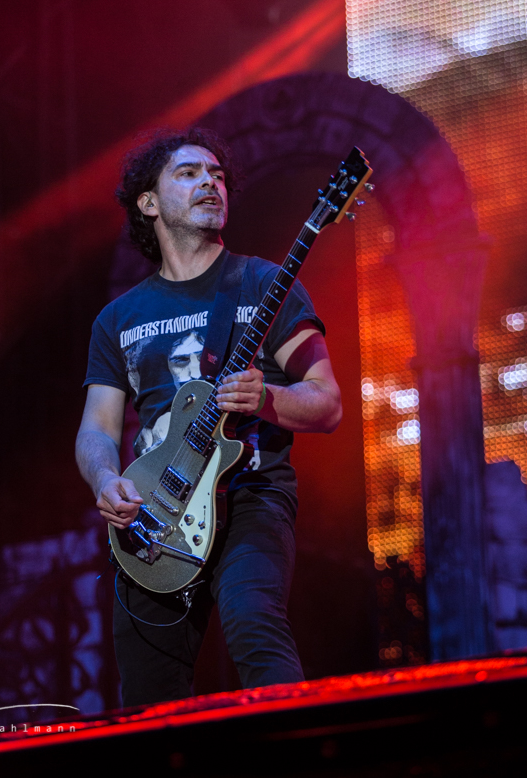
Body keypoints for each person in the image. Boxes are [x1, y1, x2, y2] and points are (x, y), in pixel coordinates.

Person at [75, 127, 342, 707]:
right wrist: (105, 479)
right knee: (147, 696)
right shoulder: (118, 318)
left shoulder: (264, 284)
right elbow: (97, 427)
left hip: (250, 495)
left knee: (254, 623)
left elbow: (328, 403)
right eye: (189, 173)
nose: (210, 183)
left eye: (217, 174)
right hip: (155, 513)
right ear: (149, 203)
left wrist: (267, 399)